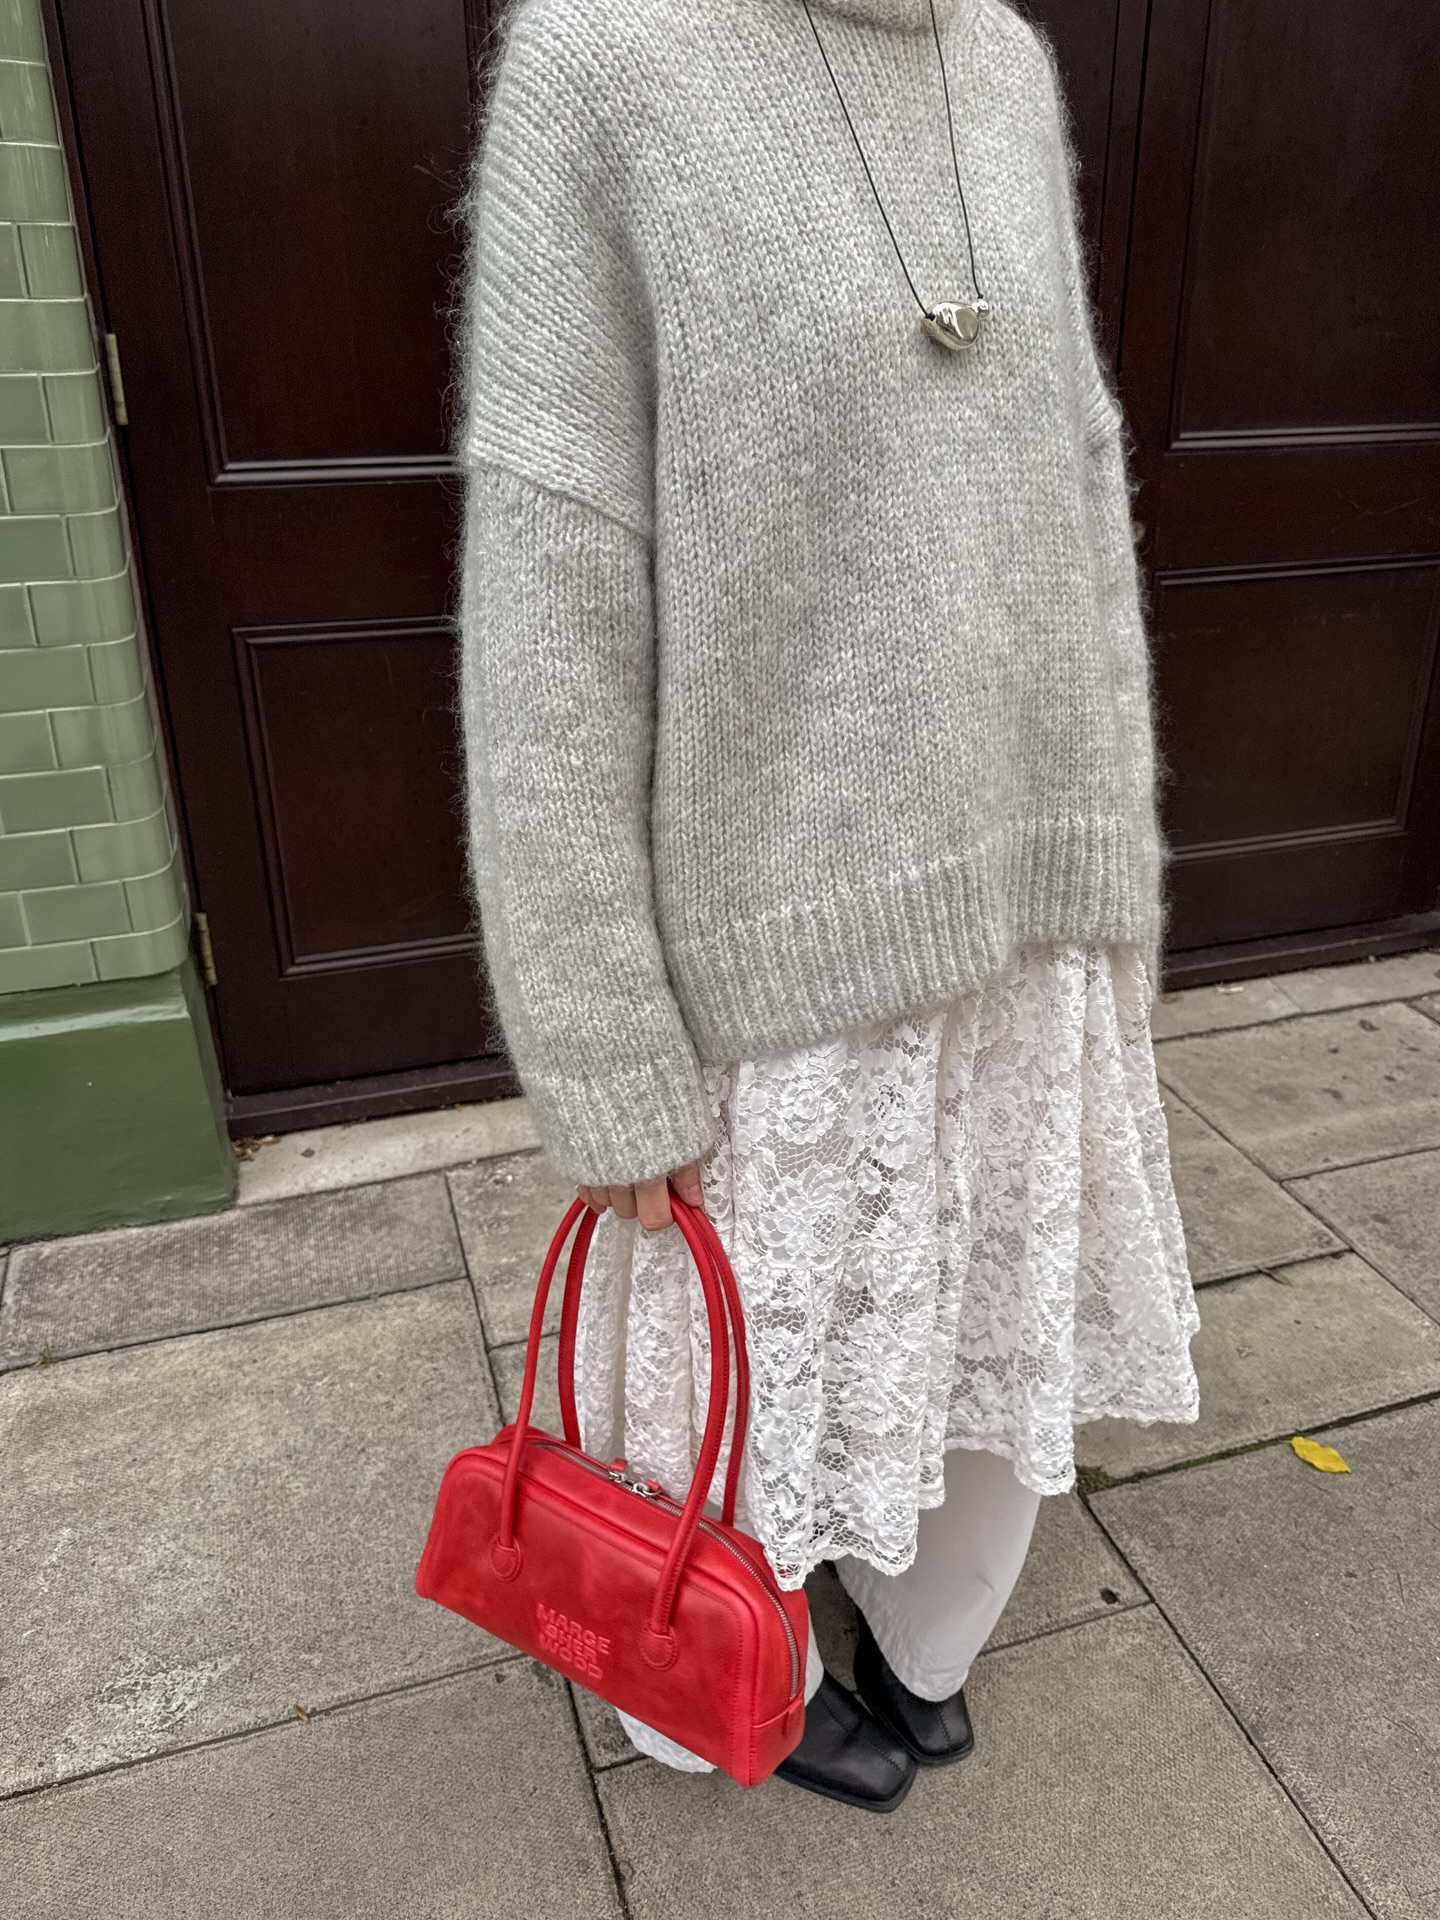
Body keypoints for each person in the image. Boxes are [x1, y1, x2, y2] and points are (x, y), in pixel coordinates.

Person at [457, 0, 1199, 1813]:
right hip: (774, 950)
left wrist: (1108, 874)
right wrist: (600, 1044)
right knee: (736, 1369)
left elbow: (1075, 481)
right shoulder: (602, 64)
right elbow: (554, 589)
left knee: (978, 1309)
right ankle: (723, 1673)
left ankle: (924, 1642)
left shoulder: (999, 58)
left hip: (1020, 899)